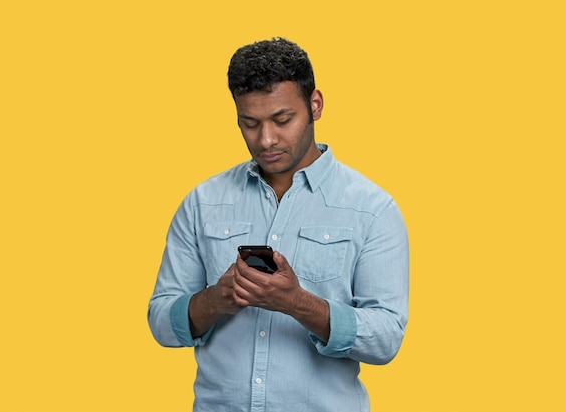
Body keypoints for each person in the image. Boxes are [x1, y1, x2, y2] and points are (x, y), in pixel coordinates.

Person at [148, 37, 409, 412]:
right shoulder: (203, 202)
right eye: (249, 123)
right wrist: (215, 300)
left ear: (315, 105)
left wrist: (297, 304)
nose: (266, 139)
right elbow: (161, 321)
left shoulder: (372, 209)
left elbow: (386, 340)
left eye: (282, 120)